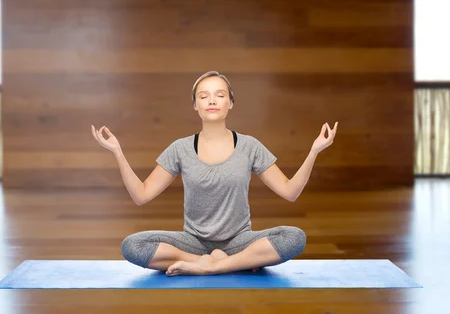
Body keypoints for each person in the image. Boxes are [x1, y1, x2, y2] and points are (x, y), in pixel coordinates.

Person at [91, 71, 338, 276]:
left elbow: (290, 192)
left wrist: (315, 151)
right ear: (195, 105)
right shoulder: (180, 149)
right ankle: (218, 261)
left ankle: (213, 267)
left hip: (239, 241)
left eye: (220, 95)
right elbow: (141, 195)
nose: (212, 101)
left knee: (293, 237)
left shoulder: (250, 146)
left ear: (230, 103)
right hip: (193, 243)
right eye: (204, 96)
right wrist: (117, 152)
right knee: (132, 245)